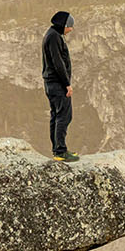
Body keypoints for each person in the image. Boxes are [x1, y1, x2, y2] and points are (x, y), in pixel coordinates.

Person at [42, 11, 78, 162]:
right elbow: (58, 63)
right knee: (64, 115)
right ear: (63, 25)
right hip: (57, 84)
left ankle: (58, 149)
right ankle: (60, 151)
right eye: (69, 27)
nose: (71, 30)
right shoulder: (54, 37)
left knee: (56, 116)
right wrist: (67, 84)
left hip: (52, 83)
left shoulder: (53, 34)